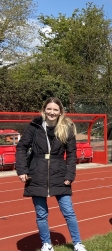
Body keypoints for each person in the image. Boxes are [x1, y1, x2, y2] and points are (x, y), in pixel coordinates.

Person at [16, 97, 87, 251]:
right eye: (49, 109)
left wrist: (70, 175)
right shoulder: (34, 126)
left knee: (68, 211)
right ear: (44, 109)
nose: (52, 112)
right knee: (41, 214)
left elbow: (72, 154)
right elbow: (21, 147)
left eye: (55, 110)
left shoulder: (67, 128)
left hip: (59, 173)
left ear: (60, 111)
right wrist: (22, 170)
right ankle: (47, 244)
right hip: (36, 173)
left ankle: (77, 243)